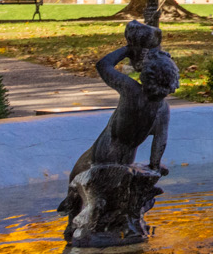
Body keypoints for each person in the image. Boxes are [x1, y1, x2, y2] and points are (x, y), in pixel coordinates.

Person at [57, 22, 177, 209]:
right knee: (110, 198)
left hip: (105, 153)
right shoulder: (163, 109)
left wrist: (129, 49)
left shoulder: (131, 91)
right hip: (127, 157)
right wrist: (154, 166)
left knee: (92, 187)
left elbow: (103, 65)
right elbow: (160, 142)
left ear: (146, 75)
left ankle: (76, 209)